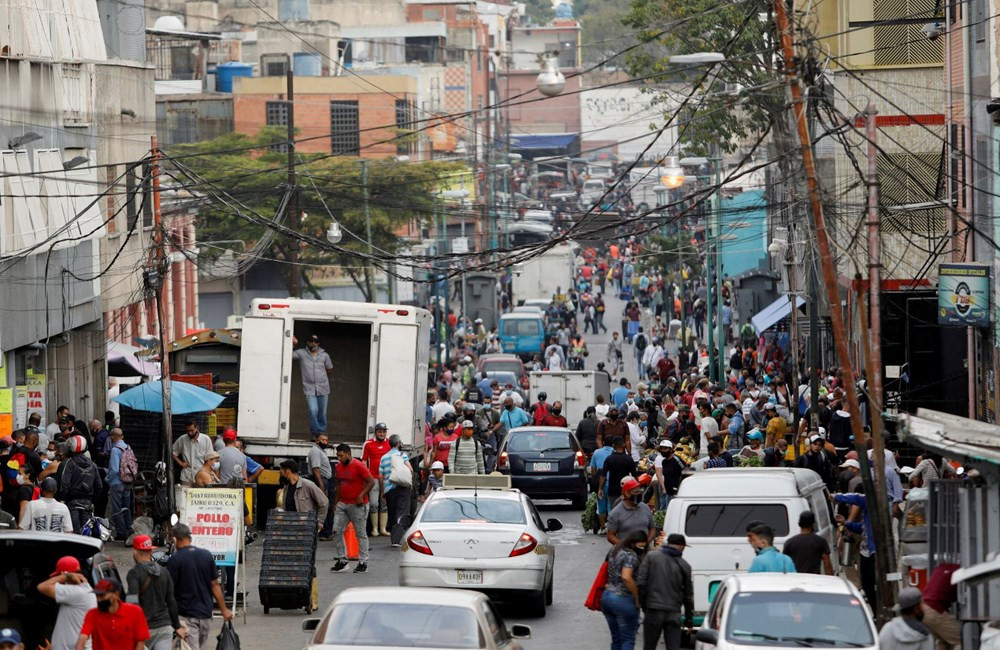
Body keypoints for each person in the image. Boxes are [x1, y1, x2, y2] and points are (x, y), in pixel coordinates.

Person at [166, 524, 232, 650]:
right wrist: (224, 609)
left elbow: (170, 591)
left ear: (175, 540)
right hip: (206, 615)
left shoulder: (175, 560)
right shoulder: (206, 555)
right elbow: (215, 585)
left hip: (186, 615)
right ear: (189, 538)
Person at [126, 535, 184, 650]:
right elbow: (171, 601)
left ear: (135, 552)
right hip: (164, 628)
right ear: (151, 550)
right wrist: (177, 626)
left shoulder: (134, 573)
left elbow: (132, 602)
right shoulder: (164, 572)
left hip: (144, 630)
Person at [637, 534, 694, 650]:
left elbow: (641, 583)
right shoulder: (685, 565)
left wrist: (643, 605)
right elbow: (688, 596)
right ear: (682, 547)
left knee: (649, 646)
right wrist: (689, 620)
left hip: (653, 610)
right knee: (673, 647)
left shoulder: (651, 557)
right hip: (673, 612)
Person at [330, 444, 376, 574]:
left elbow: (371, 481)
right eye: (338, 456)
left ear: (348, 453)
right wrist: (336, 502)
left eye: (341, 455)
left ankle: (363, 562)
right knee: (336, 531)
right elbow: (339, 485)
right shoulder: (338, 467)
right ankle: (342, 560)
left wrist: (361, 495)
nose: (339, 458)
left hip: (358, 505)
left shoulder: (359, 466)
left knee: (360, 533)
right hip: (343, 503)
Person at [600, 530, 647, 650]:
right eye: (640, 545)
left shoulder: (615, 550)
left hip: (607, 597)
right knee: (627, 640)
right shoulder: (630, 555)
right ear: (632, 543)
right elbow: (626, 577)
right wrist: (636, 596)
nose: (642, 549)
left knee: (616, 639)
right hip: (624, 599)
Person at [37, 556, 97, 650]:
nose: (60, 581)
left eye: (59, 576)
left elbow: (42, 587)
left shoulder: (77, 592)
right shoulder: (83, 590)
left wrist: (65, 576)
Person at [74, 579, 148, 650]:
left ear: (116, 594)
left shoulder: (134, 611)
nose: (99, 599)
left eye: (102, 596)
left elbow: (140, 641)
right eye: (97, 596)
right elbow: (83, 636)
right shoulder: (92, 614)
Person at [58, 436, 103, 535]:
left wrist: (62, 498)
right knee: (86, 530)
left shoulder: (70, 463)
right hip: (88, 502)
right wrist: (93, 499)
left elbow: (64, 484)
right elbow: (99, 486)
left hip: (72, 501)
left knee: (75, 531)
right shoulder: (92, 465)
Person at [291, 334, 334, 436]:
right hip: (309, 388)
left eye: (315, 342)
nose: (313, 343)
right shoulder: (301, 353)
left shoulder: (324, 355)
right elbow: (288, 354)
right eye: (311, 341)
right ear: (307, 342)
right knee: (313, 410)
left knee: (322, 413)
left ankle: (322, 432)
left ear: (318, 343)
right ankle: (315, 433)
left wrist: (322, 377)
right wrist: (292, 343)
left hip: (323, 388)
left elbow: (330, 368)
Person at [378, 434, 413, 547]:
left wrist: (383, 491)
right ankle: (396, 540)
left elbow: (380, 477)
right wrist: (410, 483)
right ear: (398, 444)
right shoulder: (402, 455)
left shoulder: (384, 457)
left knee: (392, 512)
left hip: (389, 489)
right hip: (402, 488)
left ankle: (394, 535)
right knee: (401, 512)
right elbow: (410, 470)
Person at [278, 459, 329, 531]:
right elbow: (285, 507)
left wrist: (319, 522)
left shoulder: (308, 485)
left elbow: (324, 502)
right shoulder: (286, 488)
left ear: (287, 471)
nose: (281, 475)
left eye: (281, 472)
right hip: (290, 528)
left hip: (306, 530)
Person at [920, 562, 961, 650]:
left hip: (922, 610)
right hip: (934, 609)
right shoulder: (958, 572)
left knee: (943, 640)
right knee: (960, 639)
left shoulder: (940, 569)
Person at [361, 423, 391, 538]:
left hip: (386, 478)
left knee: (384, 504)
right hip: (373, 477)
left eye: (384, 432)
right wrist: (366, 476)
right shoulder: (368, 443)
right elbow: (364, 461)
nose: (382, 434)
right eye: (379, 432)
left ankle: (383, 528)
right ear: (376, 432)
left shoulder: (389, 443)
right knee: (373, 503)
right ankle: (374, 529)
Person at [606, 477, 655, 546]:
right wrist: (626, 546)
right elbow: (610, 536)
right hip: (626, 553)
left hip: (644, 552)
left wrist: (646, 543)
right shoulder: (616, 512)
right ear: (627, 493)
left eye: (639, 492)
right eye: (635, 492)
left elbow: (652, 528)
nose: (638, 494)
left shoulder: (645, 508)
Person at [782, 510, 833, 575]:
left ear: (799, 524)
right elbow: (827, 566)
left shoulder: (789, 542)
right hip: (814, 580)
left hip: (796, 580)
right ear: (813, 524)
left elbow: (784, 565)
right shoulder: (821, 541)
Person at [106, 428, 133, 541]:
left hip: (117, 483)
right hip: (127, 481)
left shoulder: (115, 450)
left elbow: (114, 469)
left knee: (117, 508)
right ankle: (128, 529)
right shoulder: (128, 447)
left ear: (113, 437)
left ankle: (121, 533)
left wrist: (107, 479)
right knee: (126, 507)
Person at [307, 433, 335, 540]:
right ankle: (324, 532)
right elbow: (315, 469)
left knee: (326, 505)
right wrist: (321, 485)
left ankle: (327, 532)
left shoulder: (320, 451)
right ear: (317, 441)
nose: (326, 442)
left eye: (327, 440)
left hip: (324, 480)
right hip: (321, 480)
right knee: (324, 505)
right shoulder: (315, 451)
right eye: (323, 440)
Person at [172, 421, 213, 487]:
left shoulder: (206, 439)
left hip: (201, 475)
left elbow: (211, 457)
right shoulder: (182, 439)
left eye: (192, 430)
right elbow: (172, 452)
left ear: (197, 428)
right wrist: (180, 463)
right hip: (186, 476)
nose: (190, 433)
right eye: (187, 431)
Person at [599, 437, 636, 509]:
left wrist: (600, 489)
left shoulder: (609, 459)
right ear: (624, 445)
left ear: (613, 446)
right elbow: (635, 476)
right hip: (626, 490)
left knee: (614, 510)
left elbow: (603, 475)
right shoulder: (629, 459)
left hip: (613, 490)